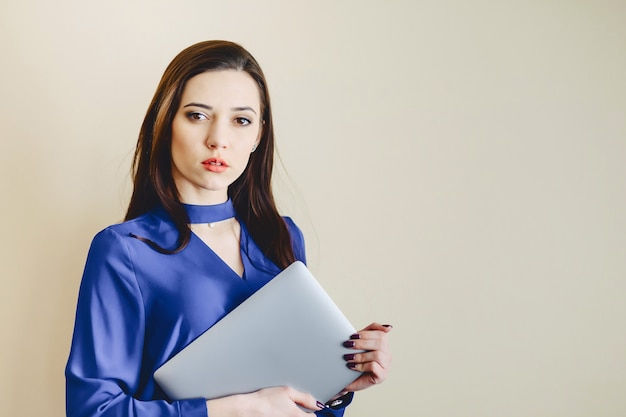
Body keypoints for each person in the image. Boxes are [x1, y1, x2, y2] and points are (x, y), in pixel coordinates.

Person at [65, 40, 392, 417]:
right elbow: (92, 410)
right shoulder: (125, 249)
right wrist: (236, 409)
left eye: (241, 120)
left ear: (258, 135)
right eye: (197, 115)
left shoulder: (281, 237)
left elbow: (298, 406)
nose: (218, 139)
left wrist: (336, 384)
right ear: (166, 121)